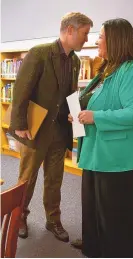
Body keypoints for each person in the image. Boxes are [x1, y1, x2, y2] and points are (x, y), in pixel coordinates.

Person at [69, 18, 133, 257]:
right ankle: (95, 246)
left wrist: (95, 117)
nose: (96, 40)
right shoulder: (106, 69)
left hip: (121, 158)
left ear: (115, 40)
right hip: (98, 153)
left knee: (116, 214)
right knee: (94, 206)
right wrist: (79, 115)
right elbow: (95, 102)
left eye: (101, 36)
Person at [10, 12, 93, 242]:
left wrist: (77, 124)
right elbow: (21, 90)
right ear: (70, 30)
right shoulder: (39, 53)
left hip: (59, 132)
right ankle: (19, 218)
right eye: (85, 33)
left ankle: (53, 220)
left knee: (55, 179)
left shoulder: (75, 61)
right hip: (35, 129)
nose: (87, 39)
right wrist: (19, 125)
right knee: (27, 178)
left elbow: (72, 94)